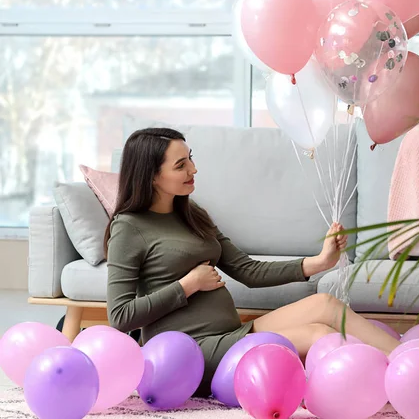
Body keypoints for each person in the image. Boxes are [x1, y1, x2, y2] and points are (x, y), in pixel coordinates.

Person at [105, 127, 400, 397]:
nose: (193, 169)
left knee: (325, 304)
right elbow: (120, 316)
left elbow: (248, 270)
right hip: (192, 351)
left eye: (190, 159)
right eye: (180, 165)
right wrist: (187, 285)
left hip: (234, 335)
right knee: (320, 335)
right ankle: (384, 383)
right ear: (151, 176)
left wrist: (320, 262)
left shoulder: (192, 213)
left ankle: (407, 359)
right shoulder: (128, 228)